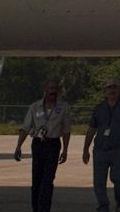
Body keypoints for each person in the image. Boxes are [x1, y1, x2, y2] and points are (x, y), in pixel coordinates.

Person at [13, 78, 73, 212]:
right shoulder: (35, 107)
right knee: (37, 180)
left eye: (55, 89)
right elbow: (25, 127)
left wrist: (65, 150)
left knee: (48, 180)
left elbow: (66, 130)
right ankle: (36, 208)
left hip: (53, 144)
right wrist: (18, 146)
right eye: (50, 89)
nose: (53, 91)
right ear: (45, 90)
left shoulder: (64, 107)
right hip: (38, 144)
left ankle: (44, 209)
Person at [82, 79, 120, 212]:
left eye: (115, 87)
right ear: (105, 91)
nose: (112, 90)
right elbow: (91, 129)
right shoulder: (99, 108)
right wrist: (85, 149)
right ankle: (103, 206)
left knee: (118, 178)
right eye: (109, 88)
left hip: (118, 149)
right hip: (100, 149)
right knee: (99, 182)